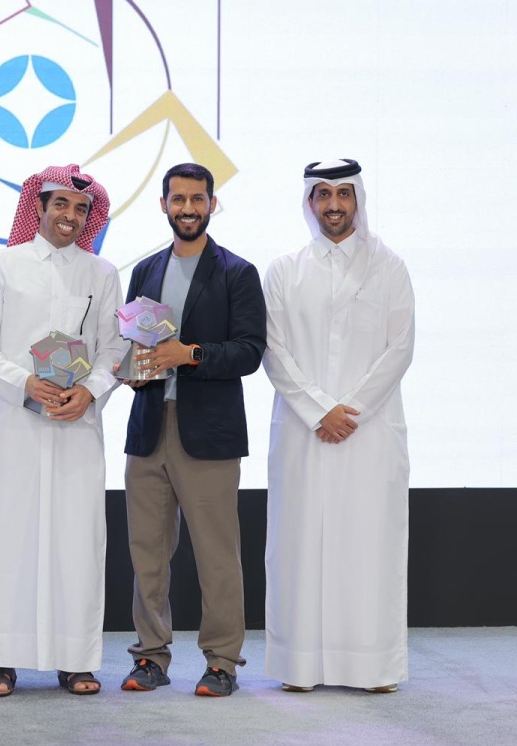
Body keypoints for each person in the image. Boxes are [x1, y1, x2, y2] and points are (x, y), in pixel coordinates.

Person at [0, 164, 125, 698]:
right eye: (60, 205)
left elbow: (113, 349)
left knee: (76, 540)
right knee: (8, 539)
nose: (69, 216)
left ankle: (74, 659)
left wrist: (89, 391)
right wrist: (25, 384)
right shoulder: (3, 266)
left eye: (80, 209)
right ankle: (1, 660)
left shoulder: (102, 273)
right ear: (39, 207)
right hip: (14, 425)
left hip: (76, 425)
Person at [262, 159, 415, 693]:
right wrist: (318, 409)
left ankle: (372, 667)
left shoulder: (389, 267)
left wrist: (349, 411)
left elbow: (400, 349)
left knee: (368, 546)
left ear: (358, 200)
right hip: (304, 434)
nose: (333, 204)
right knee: (300, 547)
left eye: (343, 194)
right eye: (322, 194)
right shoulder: (283, 270)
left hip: (369, 436)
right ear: (309, 203)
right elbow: (273, 352)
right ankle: (299, 666)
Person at [120, 162, 265, 698]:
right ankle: (151, 657)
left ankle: (222, 661)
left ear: (211, 204)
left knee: (216, 555)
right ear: (163, 205)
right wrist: (132, 371)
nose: (187, 208)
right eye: (177, 199)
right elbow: (135, 346)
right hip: (148, 428)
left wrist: (191, 354)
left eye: (197, 199)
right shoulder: (145, 271)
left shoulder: (237, 272)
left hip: (209, 433)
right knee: (147, 555)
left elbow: (251, 351)